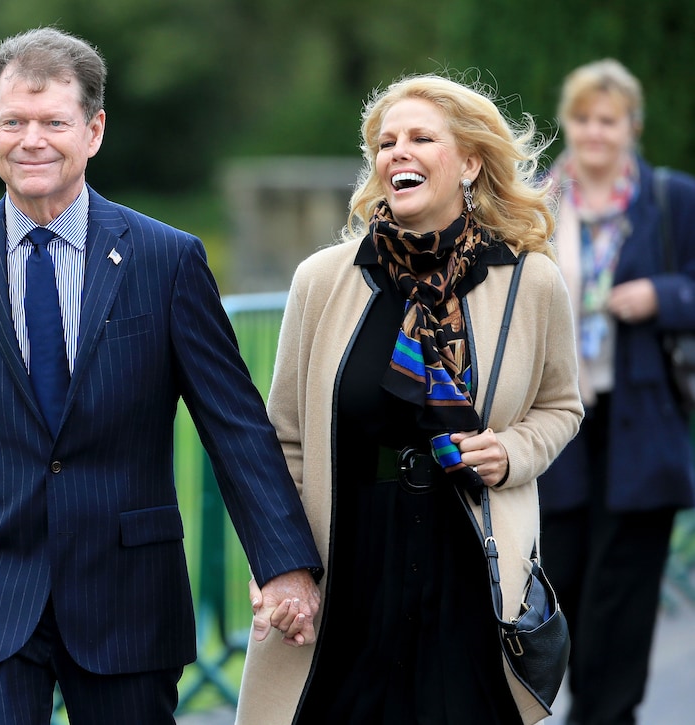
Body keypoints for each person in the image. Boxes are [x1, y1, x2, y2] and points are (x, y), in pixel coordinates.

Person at [0, 26, 323, 725]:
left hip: (127, 596)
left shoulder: (165, 261)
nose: (31, 140)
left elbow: (234, 425)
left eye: (53, 121)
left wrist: (284, 563)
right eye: (13, 121)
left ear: (94, 130)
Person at [235, 73, 584, 725]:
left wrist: (511, 450)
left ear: (471, 162)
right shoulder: (321, 280)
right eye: (386, 141)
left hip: (468, 569)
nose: (398, 151)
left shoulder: (531, 281)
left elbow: (562, 406)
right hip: (349, 562)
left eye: (422, 137)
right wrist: (280, 563)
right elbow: (281, 439)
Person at [537, 58, 695, 725]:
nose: (594, 133)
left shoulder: (670, 199)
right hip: (558, 427)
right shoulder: (540, 203)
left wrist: (660, 295)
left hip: (642, 425)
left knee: (625, 595)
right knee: (560, 583)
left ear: (631, 125)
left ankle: (606, 715)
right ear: (566, 123)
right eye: (582, 118)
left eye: (608, 120)